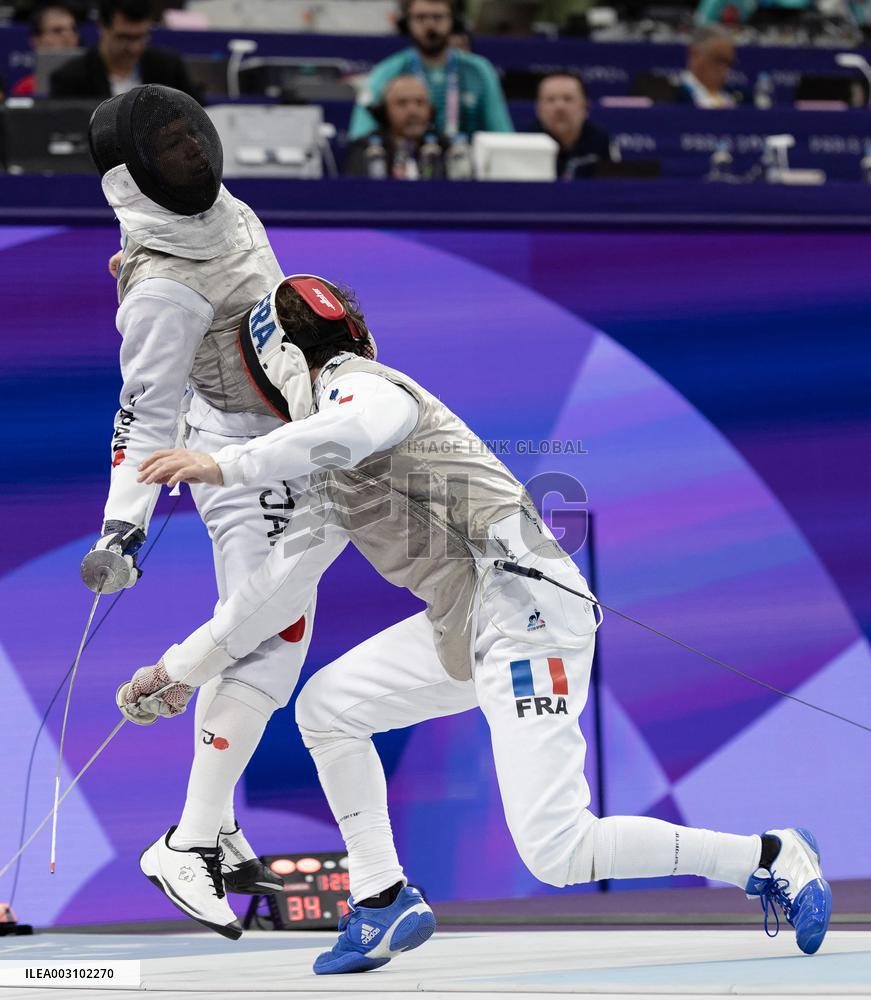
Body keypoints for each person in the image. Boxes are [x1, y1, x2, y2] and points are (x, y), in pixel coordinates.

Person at [124, 275, 832, 973]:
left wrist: (224, 462)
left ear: (279, 367)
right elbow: (269, 596)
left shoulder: (365, 390)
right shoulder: (328, 467)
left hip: (528, 616)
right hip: (468, 623)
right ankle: (382, 897)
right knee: (328, 708)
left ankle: (766, 858)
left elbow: (354, 426)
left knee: (558, 850)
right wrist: (176, 671)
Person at [81, 85, 322, 940]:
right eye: (168, 145)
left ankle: (213, 825)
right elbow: (142, 416)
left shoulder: (212, 211)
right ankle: (185, 844)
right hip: (233, 460)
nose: (189, 150)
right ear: (135, 175)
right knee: (268, 631)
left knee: (275, 637)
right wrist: (126, 526)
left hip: (289, 441)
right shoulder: (160, 290)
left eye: (190, 133)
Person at [348, 0, 512, 141]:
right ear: (407, 22)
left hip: (467, 167)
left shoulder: (479, 70)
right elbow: (360, 136)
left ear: (453, 21)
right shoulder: (387, 71)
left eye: (438, 17)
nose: (430, 25)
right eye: (420, 18)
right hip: (406, 165)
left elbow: (503, 136)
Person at [50, 0, 198, 100]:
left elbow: (198, 119)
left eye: (141, 37)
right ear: (102, 27)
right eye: (124, 37)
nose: (134, 48)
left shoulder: (169, 68)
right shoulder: (70, 78)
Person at [344, 75, 448, 178]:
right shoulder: (365, 149)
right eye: (402, 103)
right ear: (384, 110)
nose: (413, 111)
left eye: (420, 103)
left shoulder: (446, 147)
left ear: (431, 110)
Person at [535, 72, 612, 180]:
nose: (559, 107)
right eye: (551, 99)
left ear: (585, 106)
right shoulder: (525, 142)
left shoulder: (600, 140)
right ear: (538, 108)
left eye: (568, 99)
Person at [10, 4, 79, 98]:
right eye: (57, 30)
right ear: (36, 40)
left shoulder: (92, 85)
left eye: (73, 29)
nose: (68, 35)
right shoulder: (25, 89)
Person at [679, 25, 740, 108]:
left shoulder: (739, 97)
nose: (724, 69)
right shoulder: (674, 97)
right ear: (694, 54)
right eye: (718, 60)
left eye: (728, 63)